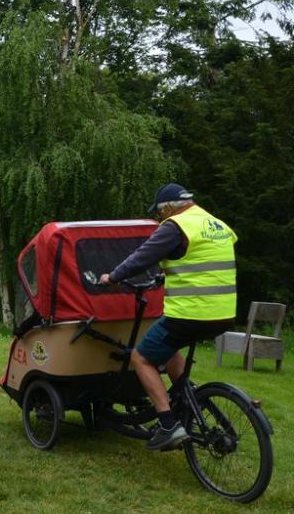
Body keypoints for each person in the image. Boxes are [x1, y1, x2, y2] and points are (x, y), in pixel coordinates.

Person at [100, 183, 236, 450]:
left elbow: (142, 257)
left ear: (169, 207)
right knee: (169, 348)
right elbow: (201, 263)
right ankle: (189, 398)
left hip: (191, 314)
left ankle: (167, 424)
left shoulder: (176, 226)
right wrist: (165, 277)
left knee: (141, 357)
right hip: (223, 314)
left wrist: (113, 276)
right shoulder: (215, 224)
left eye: (160, 214)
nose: (161, 219)